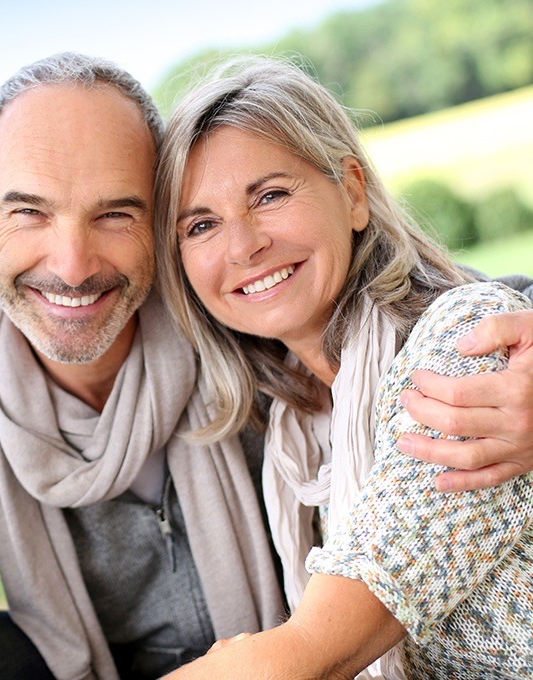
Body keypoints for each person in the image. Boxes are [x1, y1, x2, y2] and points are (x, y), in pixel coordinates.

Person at [0, 51, 531, 680]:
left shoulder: (236, 332)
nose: (72, 266)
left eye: (114, 213)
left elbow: (456, 313)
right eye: (30, 212)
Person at [154, 56, 533, 678]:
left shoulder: (467, 348)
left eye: (270, 195)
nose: (243, 246)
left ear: (353, 192)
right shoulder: (291, 431)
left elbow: (306, 657)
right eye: (201, 225)